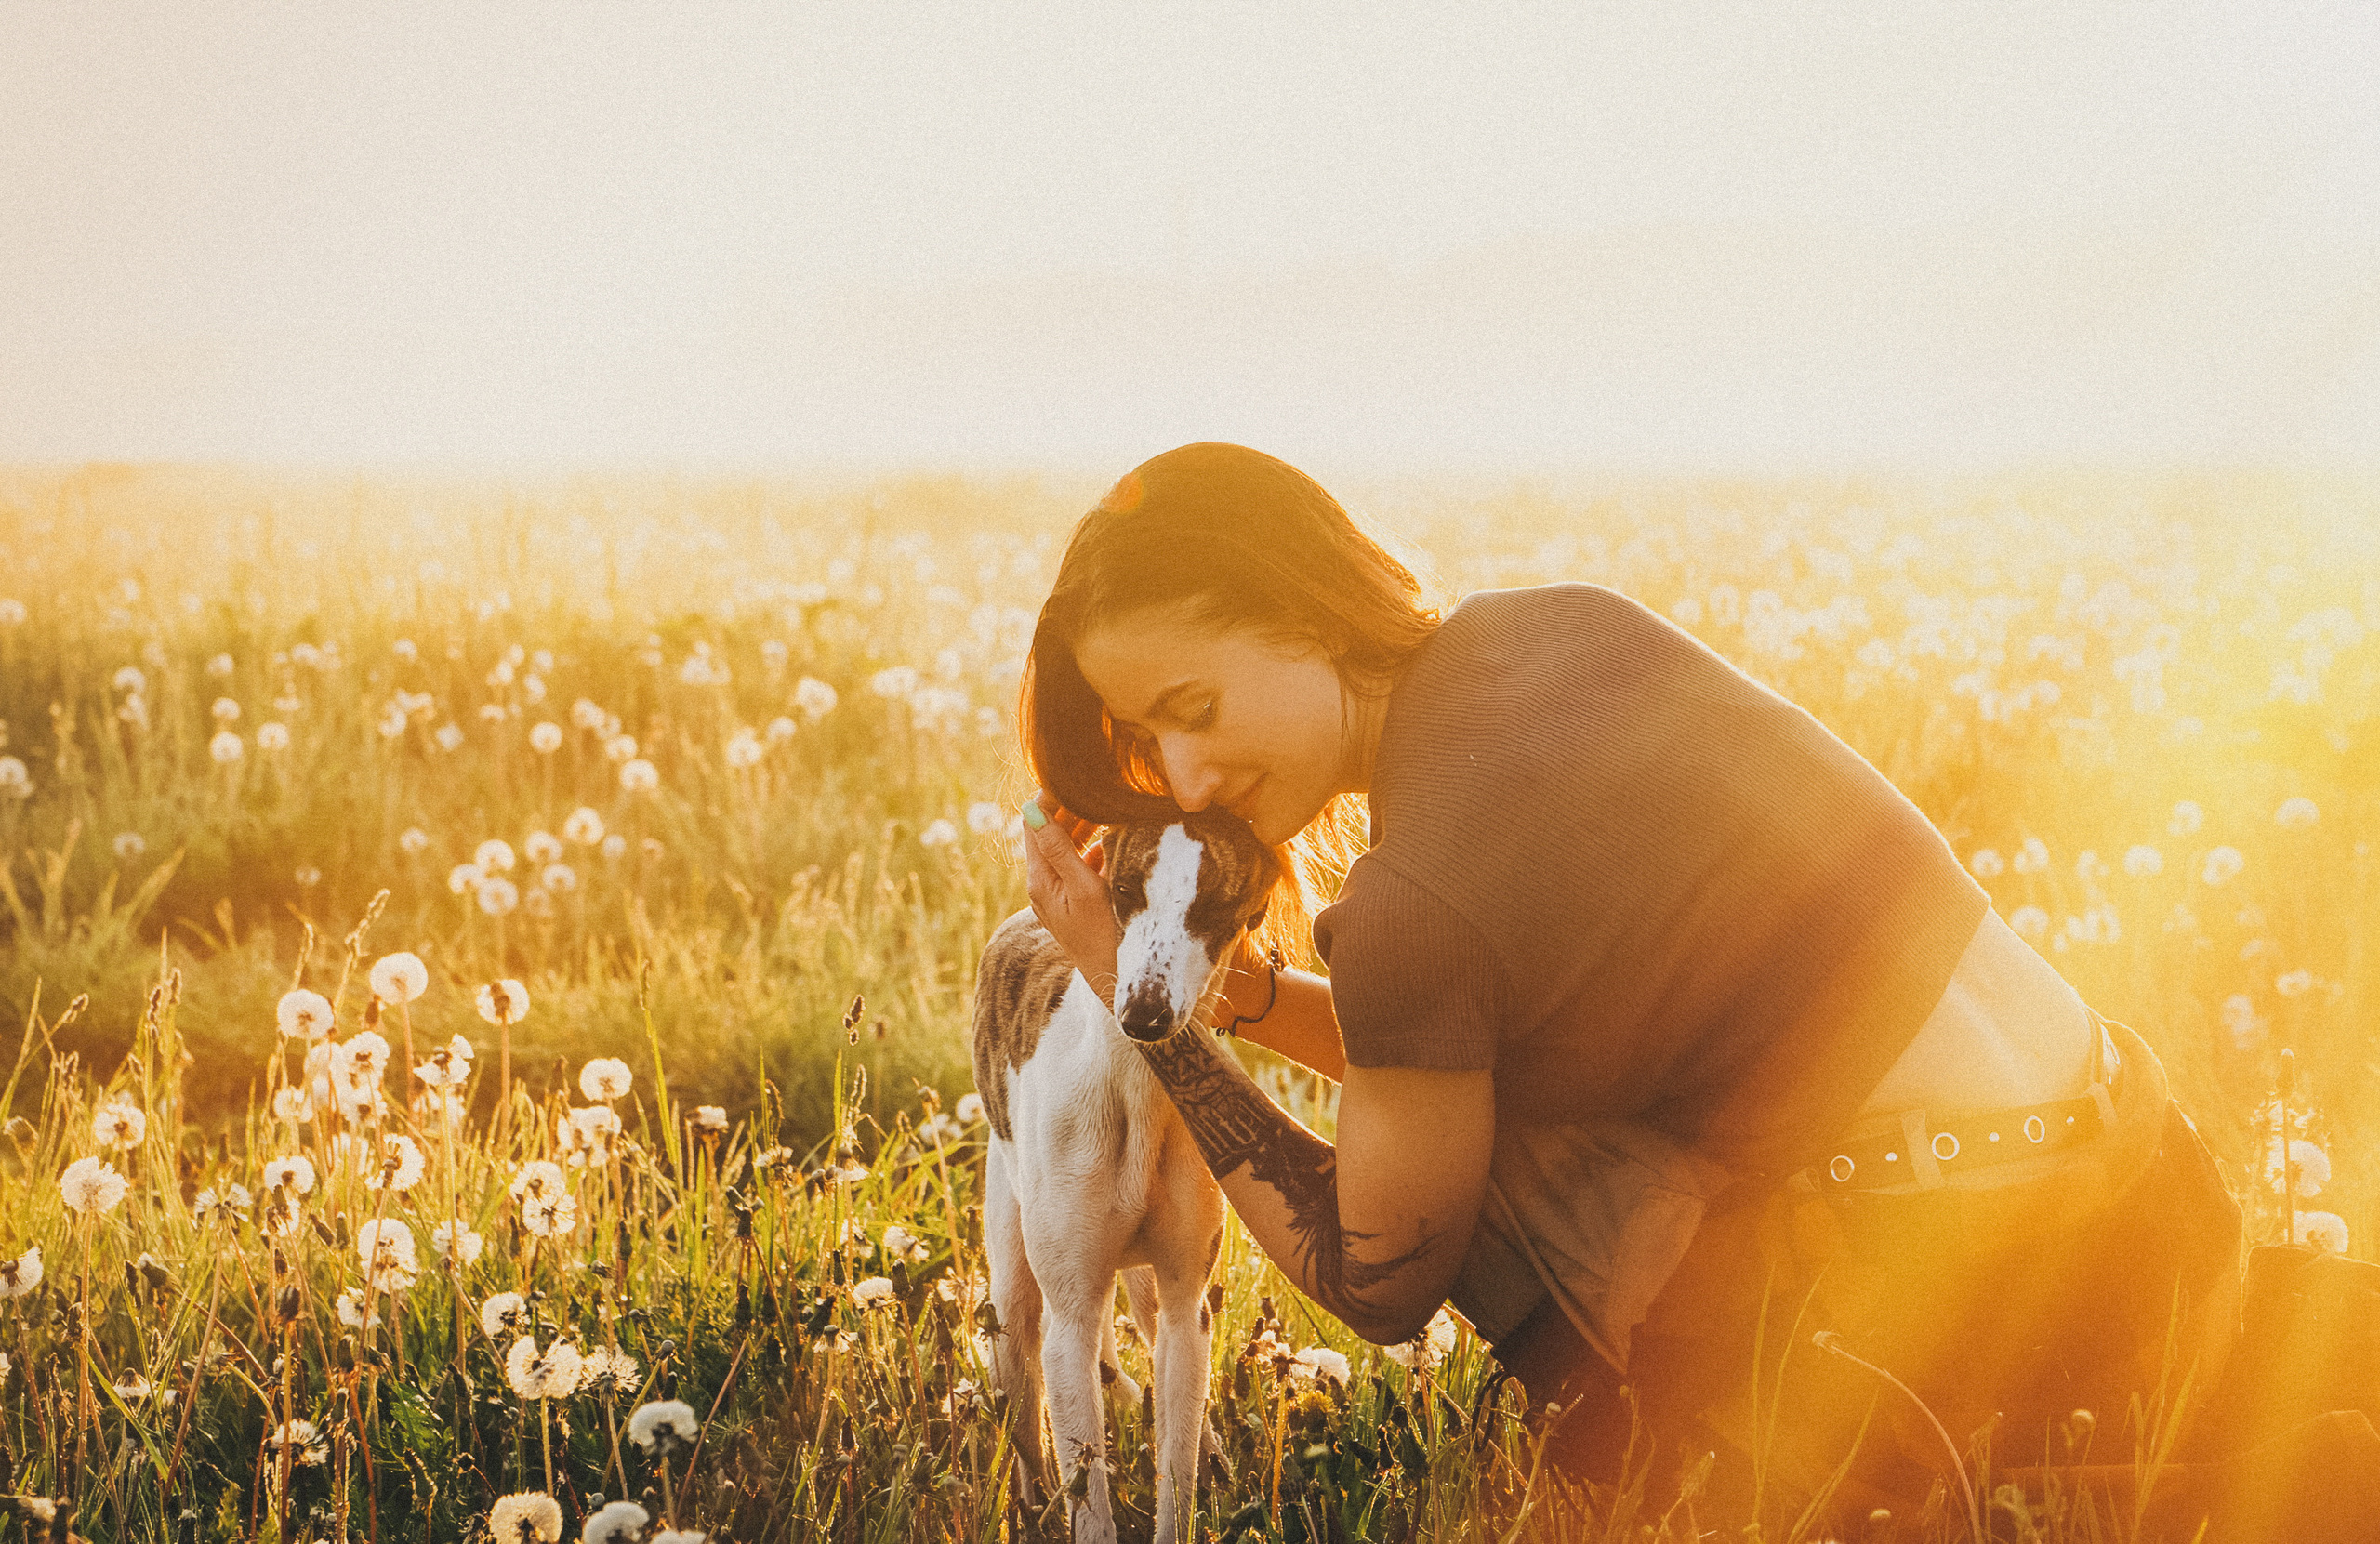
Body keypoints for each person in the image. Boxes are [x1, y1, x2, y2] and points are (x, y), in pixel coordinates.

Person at [1011, 441, 2244, 1520]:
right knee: (1484, 1114)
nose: (1181, 777)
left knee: (1483, 1181)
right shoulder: (1560, 626)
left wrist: (1151, 1011)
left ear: (1301, 605)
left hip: (1976, 1328)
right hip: (2151, 1202)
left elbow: (1375, 1275)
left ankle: (1753, 1470)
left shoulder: (1415, 905)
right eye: (1147, 742)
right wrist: (1247, 999)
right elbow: (1455, 1032)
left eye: (1195, 706)